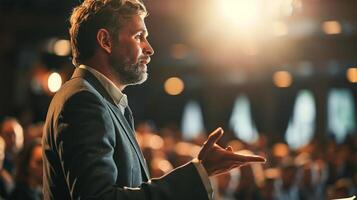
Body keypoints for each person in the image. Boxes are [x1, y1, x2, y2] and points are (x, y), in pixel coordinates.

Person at [42, 0, 266, 199]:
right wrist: (197, 174)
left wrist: (201, 169)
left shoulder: (100, 99)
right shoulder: (84, 100)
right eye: (139, 37)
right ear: (105, 41)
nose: (149, 49)